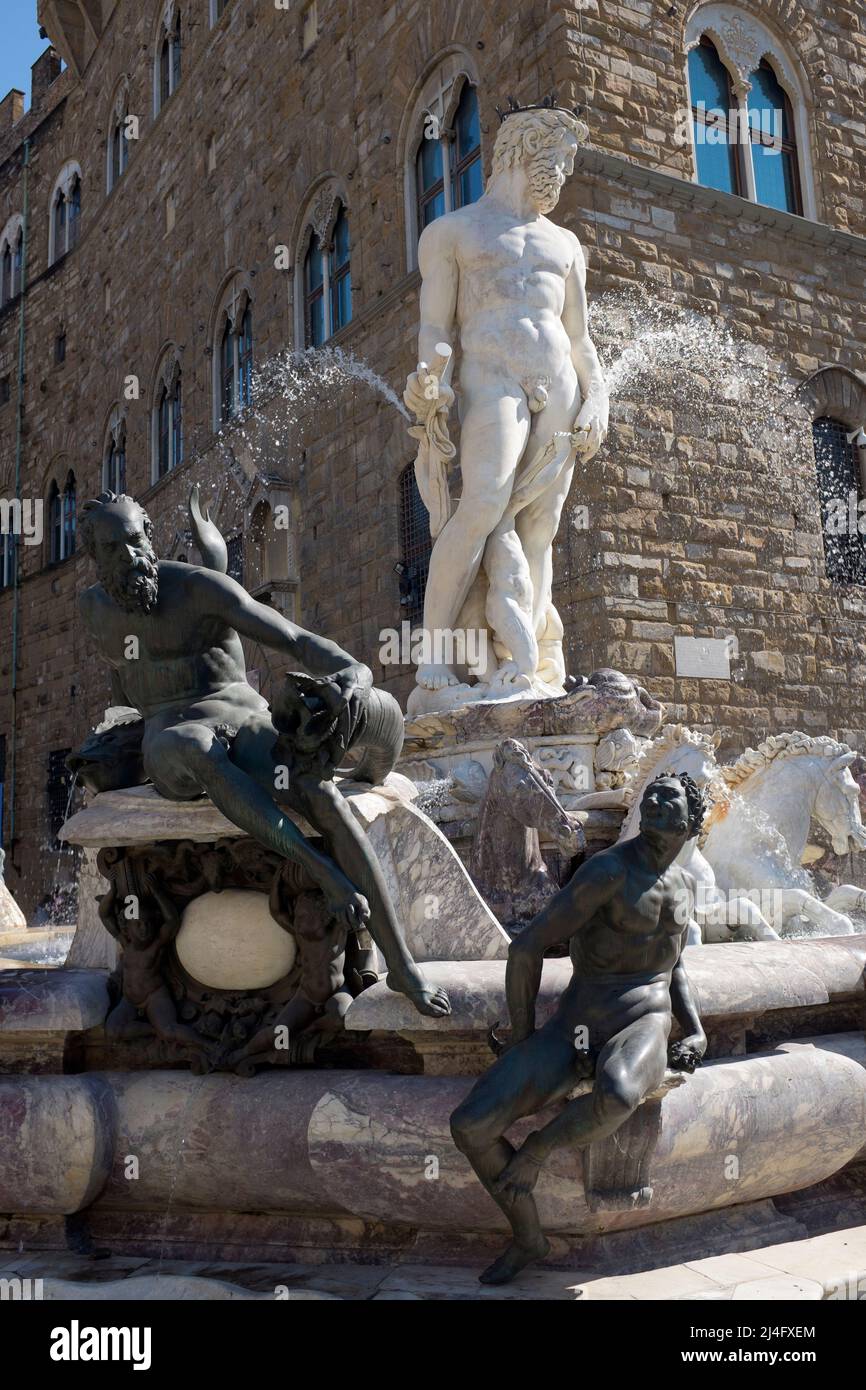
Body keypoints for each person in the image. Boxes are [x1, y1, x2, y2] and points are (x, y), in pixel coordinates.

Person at [450, 773, 707, 1285]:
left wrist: (694, 1030)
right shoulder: (606, 871)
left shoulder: (685, 884)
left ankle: (536, 1152)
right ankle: (528, 1236)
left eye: (668, 797)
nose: (653, 801)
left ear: (692, 821)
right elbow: (525, 948)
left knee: (616, 1093)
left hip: (645, 1019)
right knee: (470, 1125)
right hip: (577, 1022)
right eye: (649, 795)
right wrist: (521, 1036)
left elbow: (673, 966)